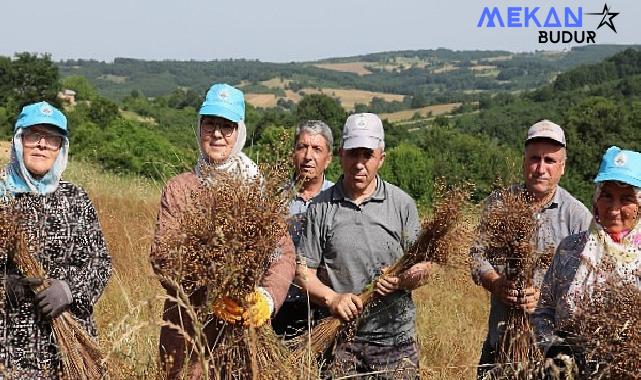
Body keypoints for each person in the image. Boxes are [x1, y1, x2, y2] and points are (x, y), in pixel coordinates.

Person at [149, 84, 295, 379]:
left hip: (246, 335)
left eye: (226, 126)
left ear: (239, 132)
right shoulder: (180, 189)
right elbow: (164, 256)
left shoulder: (257, 191)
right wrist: (212, 293)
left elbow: (284, 254)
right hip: (188, 336)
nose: (217, 134)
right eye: (210, 124)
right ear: (199, 127)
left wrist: (266, 297)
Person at [296, 113, 430, 378]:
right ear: (341, 154)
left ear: (381, 158)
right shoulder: (320, 207)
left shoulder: (401, 204)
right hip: (340, 343)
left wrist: (402, 280)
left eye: (367, 155)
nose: (359, 164)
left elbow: (425, 268)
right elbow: (304, 272)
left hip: (395, 342)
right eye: (353, 154)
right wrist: (333, 299)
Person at [470, 120, 591, 378]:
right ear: (524, 161)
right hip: (501, 343)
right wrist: (495, 283)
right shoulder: (500, 204)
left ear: (563, 167)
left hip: (551, 353)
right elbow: (476, 256)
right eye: (535, 159)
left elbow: (587, 286)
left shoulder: (577, 217)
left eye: (550, 161)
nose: (541, 168)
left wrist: (546, 299)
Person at [0, 101, 112, 378]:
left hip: (69, 341)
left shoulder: (75, 198)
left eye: (51, 138)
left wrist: (70, 288)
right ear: (18, 140)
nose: (41, 144)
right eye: (33, 134)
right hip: (9, 342)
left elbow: (101, 262)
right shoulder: (2, 196)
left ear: (61, 148)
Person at [533, 146, 641, 376]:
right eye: (607, 196)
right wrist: (553, 348)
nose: (614, 209)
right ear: (595, 200)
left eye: (626, 199)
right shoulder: (571, 249)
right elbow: (544, 310)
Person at [272, 120, 334, 339]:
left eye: (317, 149)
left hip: (325, 308)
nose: (308, 156)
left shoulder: (337, 200)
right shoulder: (272, 198)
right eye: (302, 147)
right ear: (293, 154)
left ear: (328, 159)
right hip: (279, 304)